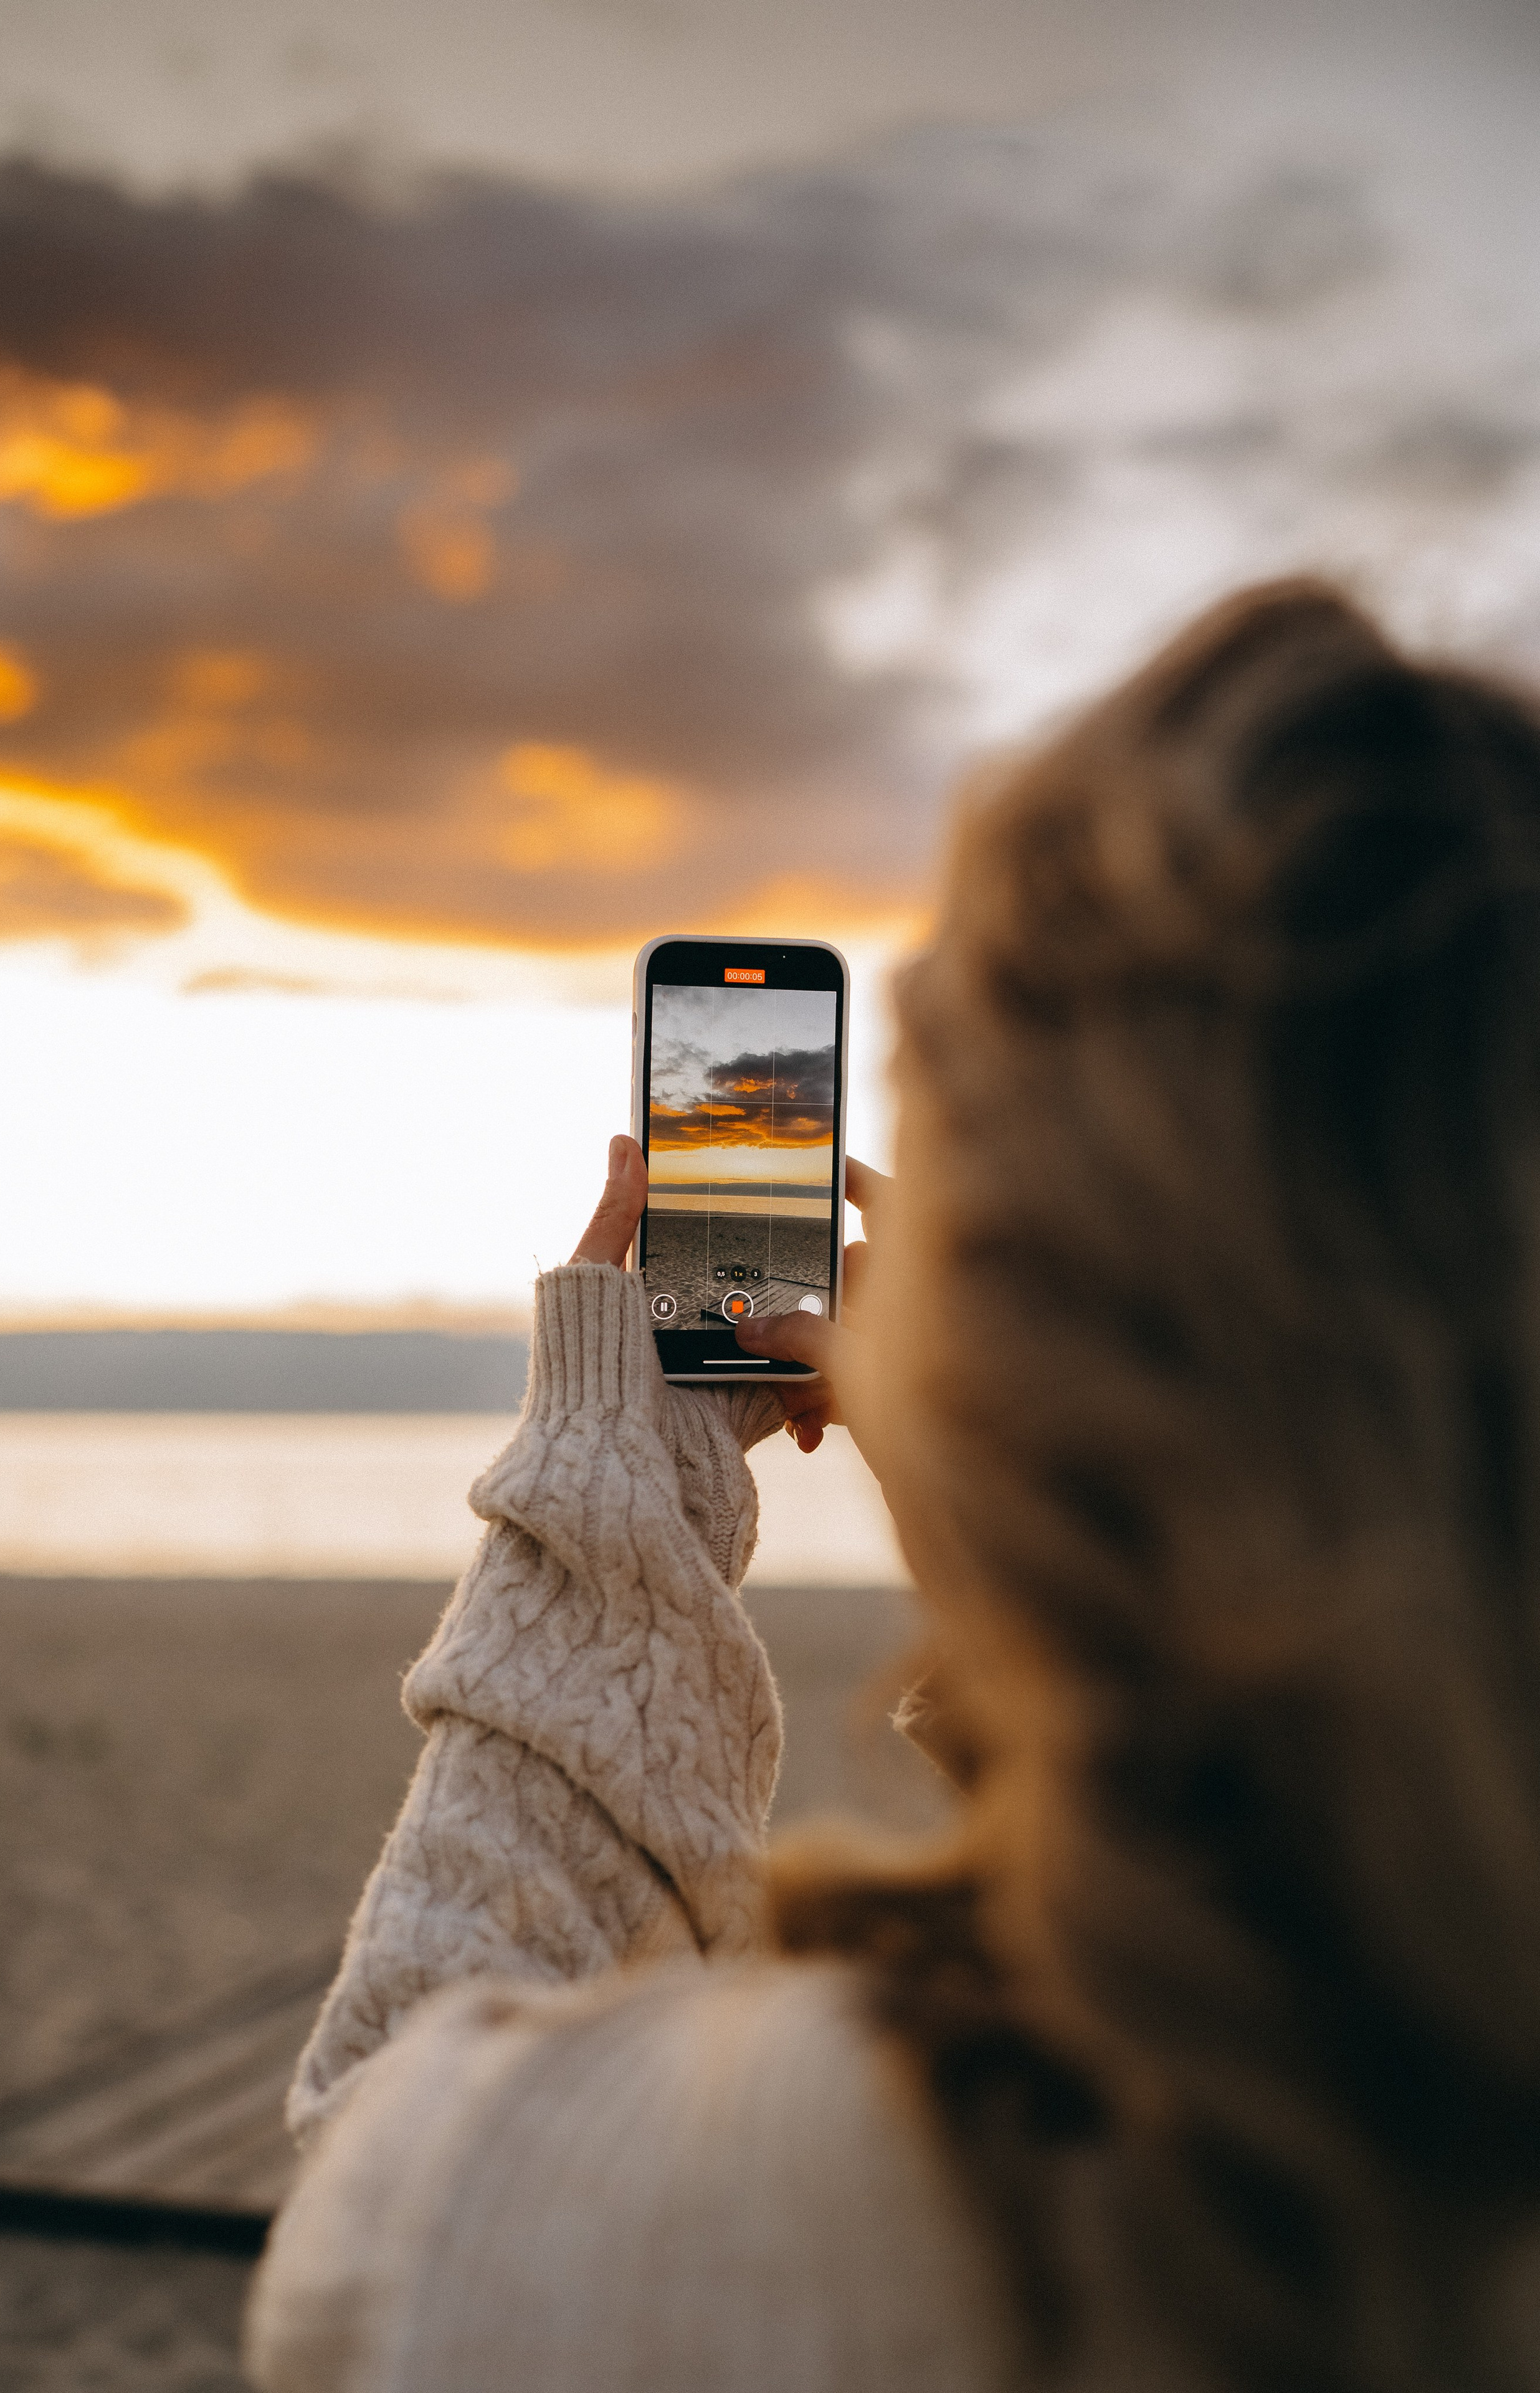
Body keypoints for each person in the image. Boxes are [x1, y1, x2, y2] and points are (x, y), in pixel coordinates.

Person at [245, 581, 1540, 2393]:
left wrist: (628, 1467)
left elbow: (368, 2224)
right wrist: (1042, 1466)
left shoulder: (718, 2220)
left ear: (1008, 1327)